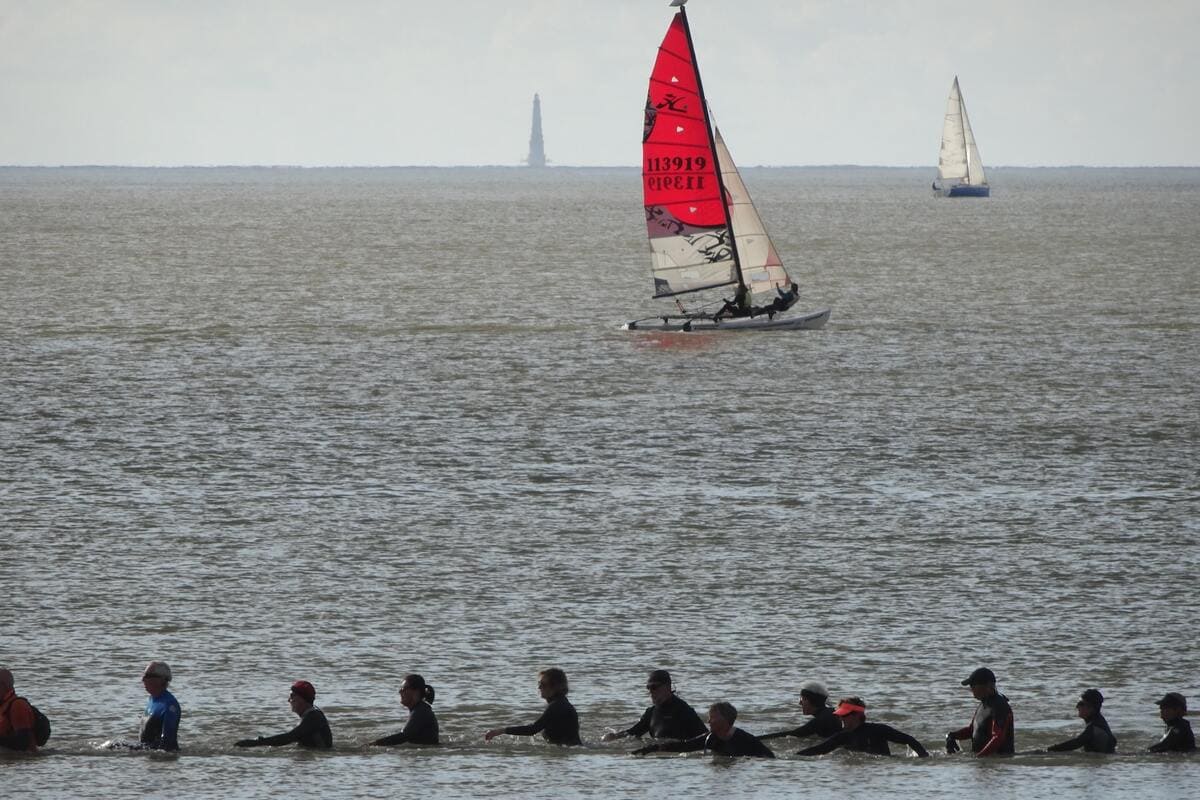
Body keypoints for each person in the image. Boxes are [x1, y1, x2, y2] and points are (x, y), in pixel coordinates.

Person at [632, 701, 774, 759]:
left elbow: (769, 758)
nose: (708, 721)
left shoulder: (746, 740)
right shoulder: (710, 738)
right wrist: (651, 748)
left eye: (712, 718)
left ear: (724, 720)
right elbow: (685, 746)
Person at [797, 696, 929, 757]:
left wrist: (924, 758)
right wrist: (792, 758)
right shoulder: (842, 737)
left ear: (856, 716)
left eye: (844, 715)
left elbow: (909, 740)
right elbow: (817, 750)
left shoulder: (879, 730)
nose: (840, 718)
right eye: (839, 715)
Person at [602, 669, 707, 742]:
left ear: (668, 687)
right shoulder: (651, 713)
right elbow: (633, 733)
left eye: (654, 687)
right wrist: (614, 737)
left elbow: (705, 737)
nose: (651, 692)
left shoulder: (684, 710)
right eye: (648, 688)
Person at [485, 668, 580, 746]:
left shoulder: (557, 706)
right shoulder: (562, 703)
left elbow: (533, 729)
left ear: (555, 687)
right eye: (539, 684)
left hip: (568, 749)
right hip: (570, 748)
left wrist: (501, 731)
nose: (539, 688)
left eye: (543, 685)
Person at [235, 680, 332, 749]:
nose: (288, 700)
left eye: (292, 696)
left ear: (302, 699)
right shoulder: (311, 715)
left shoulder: (313, 718)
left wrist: (258, 743)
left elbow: (289, 737)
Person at [946, 667, 1014, 756]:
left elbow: (998, 737)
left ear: (988, 685)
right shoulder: (984, 704)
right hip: (983, 759)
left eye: (974, 686)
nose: (972, 689)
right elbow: (971, 730)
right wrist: (952, 736)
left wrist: (979, 757)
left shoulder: (999, 705)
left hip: (999, 761)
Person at [760, 680, 841, 741]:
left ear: (812, 700)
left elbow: (794, 734)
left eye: (803, 699)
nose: (800, 703)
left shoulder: (822, 719)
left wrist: (756, 739)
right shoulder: (830, 712)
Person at [372, 674, 439, 746]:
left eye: (403, 688)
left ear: (416, 691)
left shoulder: (421, 711)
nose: (400, 691)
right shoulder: (420, 709)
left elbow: (404, 736)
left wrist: (373, 745)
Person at [1046, 689, 1117, 753]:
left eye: (1081, 704)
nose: (1077, 706)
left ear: (1091, 708)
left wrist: (1048, 750)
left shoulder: (1094, 727)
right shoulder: (1100, 721)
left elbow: (1076, 743)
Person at [139, 661, 181, 751]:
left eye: (148, 676)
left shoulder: (169, 705)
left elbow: (168, 742)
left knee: (112, 745)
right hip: (146, 750)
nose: (143, 679)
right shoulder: (152, 699)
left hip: (157, 752)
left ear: (161, 679)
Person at [0, 668, 38, 753]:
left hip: (22, 761)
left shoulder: (18, 705)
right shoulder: (3, 705)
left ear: (3, 686)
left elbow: (23, 743)